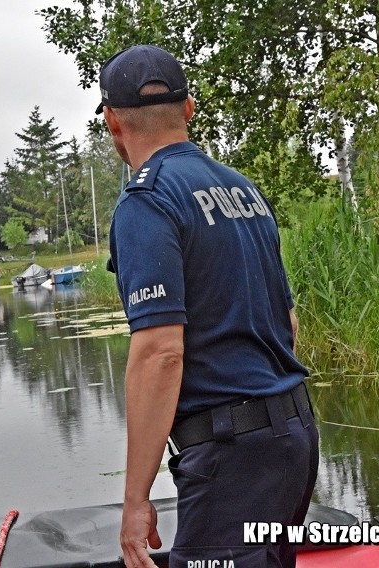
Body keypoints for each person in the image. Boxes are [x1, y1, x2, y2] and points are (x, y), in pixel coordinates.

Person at [99, 45, 319, 568]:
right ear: (190, 109)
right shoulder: (245, 191)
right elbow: (287, 324)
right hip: (293, 437)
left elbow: (160, 354)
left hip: (232, 454)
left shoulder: (147, 203)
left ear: (112, 122)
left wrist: (135, 501)